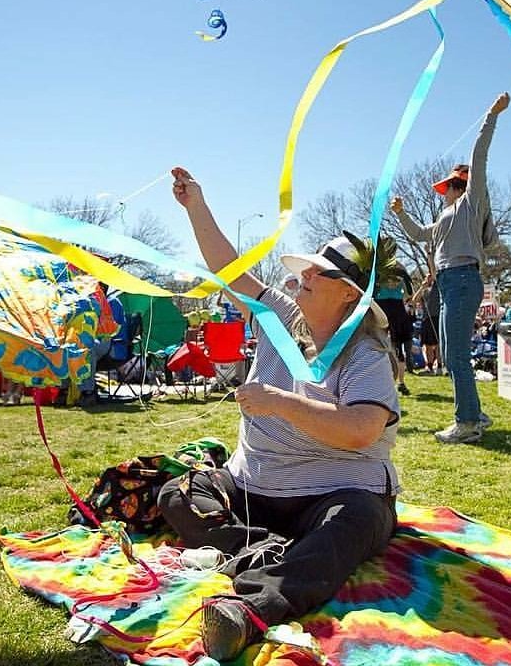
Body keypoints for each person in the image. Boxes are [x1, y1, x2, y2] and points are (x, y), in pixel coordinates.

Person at [157, 167, 401, 662]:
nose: (303, 276)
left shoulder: (366, 355)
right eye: (306, 269)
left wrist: (281, 402)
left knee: (352, 522)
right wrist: (195, 207)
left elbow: (360, 431)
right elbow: (228, 268)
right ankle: (265, 547)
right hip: (254, 490)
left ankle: (250, 607)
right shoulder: (277, 318)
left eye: (320, 273)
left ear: (350, 293)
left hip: (334, 495)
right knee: (178, 493)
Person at [391, 91, 510, 443]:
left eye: (453, 185)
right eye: (449, 186)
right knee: (450, 353)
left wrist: (491, 115)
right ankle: (474, 412)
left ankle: (468, 424)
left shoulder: (472, 204)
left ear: (460, 186)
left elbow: (479, 155)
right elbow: (417, 235)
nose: (448, 190)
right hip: (447, 282)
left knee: (456, 353)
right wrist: (400, 213)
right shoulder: (444, 217)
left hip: (461, 279)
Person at [373, 252, 414, 394]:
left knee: (380, 345)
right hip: (397, 308)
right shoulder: (400, 269)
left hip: (381, 308)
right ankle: (400, 382)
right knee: (397, 348)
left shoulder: (378, 269)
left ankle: (389, 382)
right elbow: (409, 293)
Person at [411, 272, 442, 374]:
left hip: (438, 317)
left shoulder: (439, 286)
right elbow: (414, 300)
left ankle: (440, 366)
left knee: (438, 344)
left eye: (430, 276)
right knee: (428, 345)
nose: (429, 278)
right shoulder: (424, 290)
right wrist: (422, 287)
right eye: (427, 277)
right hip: (426, 319)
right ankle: (429, 366)